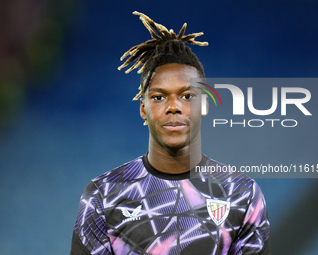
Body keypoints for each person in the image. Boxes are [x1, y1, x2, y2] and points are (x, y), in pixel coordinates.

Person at [70, 11, 270, 255]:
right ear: (143, 108)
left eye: (187, 96)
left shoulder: (242, 194)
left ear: (204, 105)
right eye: (159, 97)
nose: (173, 106)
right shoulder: (103, 196)